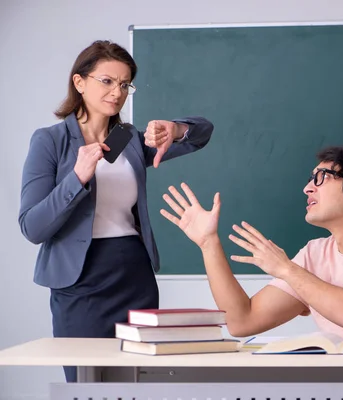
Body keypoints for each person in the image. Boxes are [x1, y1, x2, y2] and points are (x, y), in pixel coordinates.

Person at [18, 40, 214, 382]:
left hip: (133, 274)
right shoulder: (50, 141)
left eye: (125, 85)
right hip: (79, 282)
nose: (117, 92)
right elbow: (32, 227)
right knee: (86, 383)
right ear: (80, 82)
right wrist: (76, 178)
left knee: (139, 382)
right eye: (107, 81)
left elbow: (202, 134)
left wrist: (176, 128)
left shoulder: (130, 141)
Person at [161, 146, 343, 342]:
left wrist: (287, 270)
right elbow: (242, 322)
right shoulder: (315, 253)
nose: (307, 188)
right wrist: (209, 243)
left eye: (320, 178)